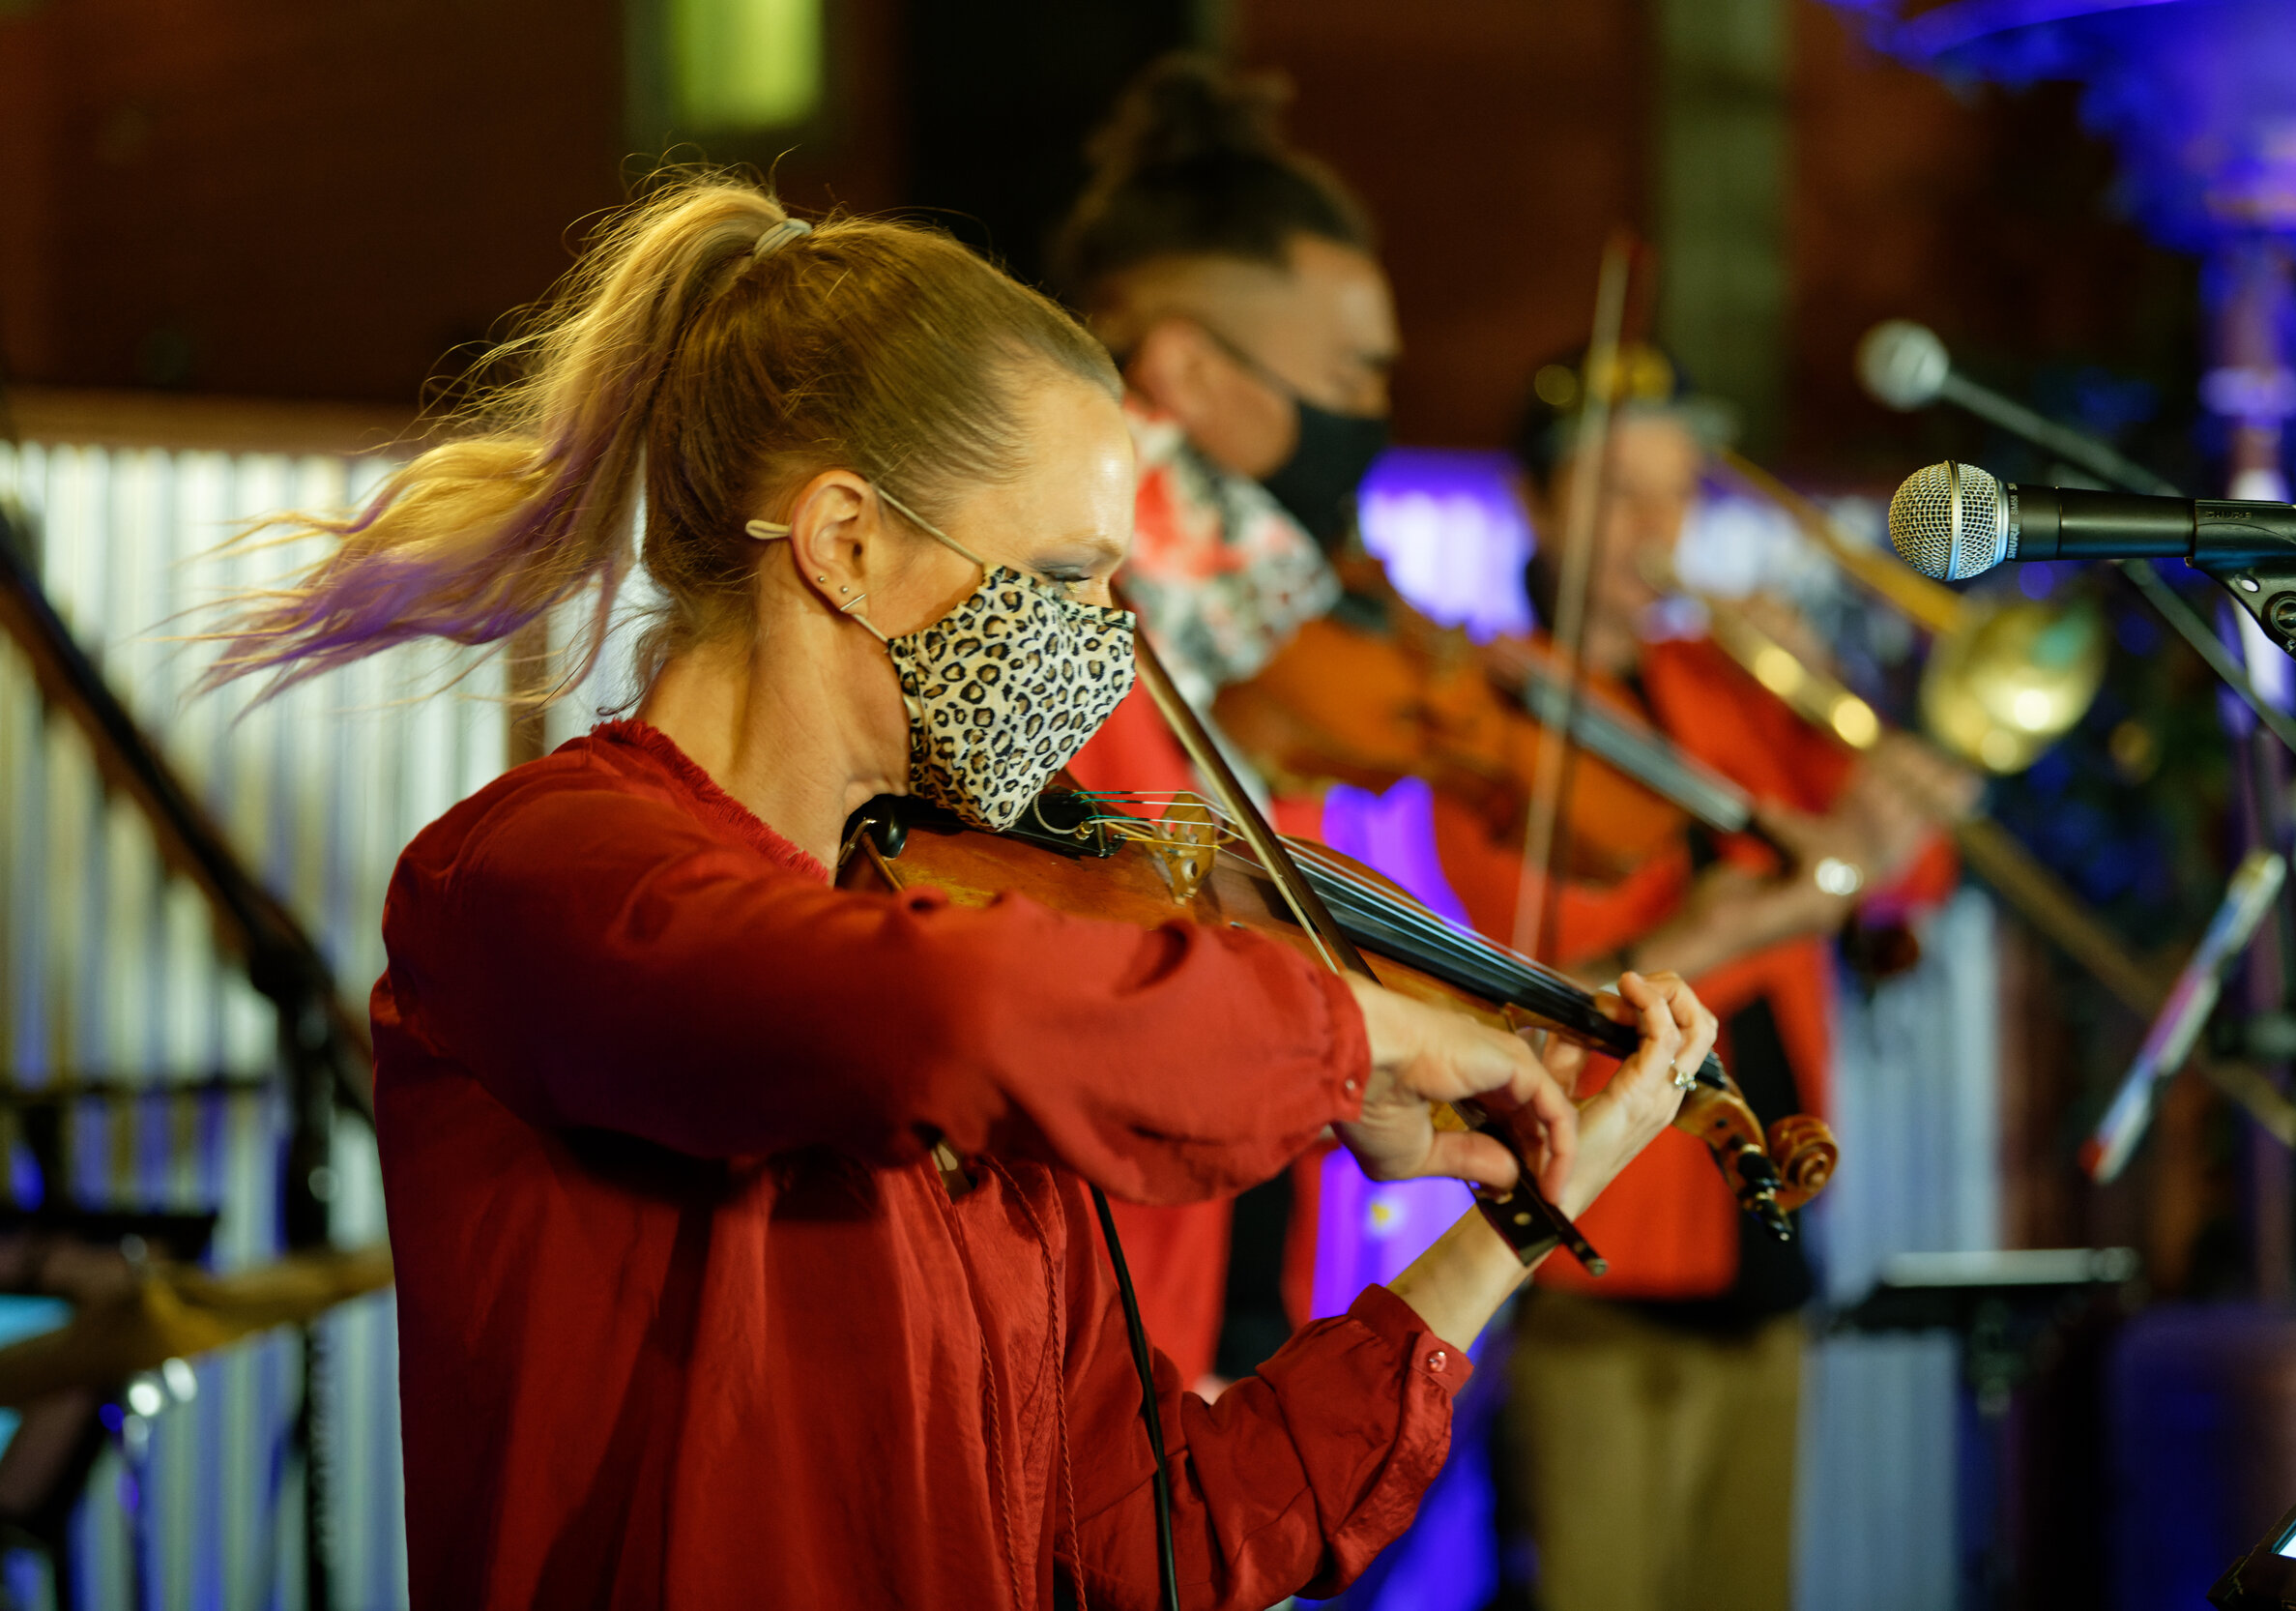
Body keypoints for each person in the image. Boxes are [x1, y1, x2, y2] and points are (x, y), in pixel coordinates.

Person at [201, 176, 1718, 1611]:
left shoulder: (971, 931)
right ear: (847, 544)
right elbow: (928, 1014)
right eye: (1063, 575)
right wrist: (1351, 1033)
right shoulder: (541, 882)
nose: (1101, 643)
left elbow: (1142, 1544)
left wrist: (1507, 1232)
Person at [1458, 364, 1976, 1611]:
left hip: (1769, 1220)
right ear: (1538, 507)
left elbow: (1918, 876)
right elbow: (1573, 988)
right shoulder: (1482, 709)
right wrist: (1808, 891)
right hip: (1606, 1250)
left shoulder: (1726, 678)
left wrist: (1833, 707)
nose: (1654, 530)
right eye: (1614, 494)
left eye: (1675, 496)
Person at [1053, 53, 1404, 1391]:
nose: (1369, 419)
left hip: (1214, 1266)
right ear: (1187, 367)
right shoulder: (1053, 613)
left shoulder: (1242, 618)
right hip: (1100, 1310)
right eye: (1352, 377)